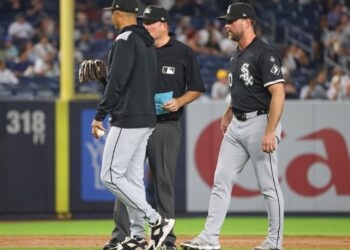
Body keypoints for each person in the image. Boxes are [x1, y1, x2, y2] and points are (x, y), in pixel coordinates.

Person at [181, 2, 285, 250]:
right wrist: (229, 110)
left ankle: (274, 242)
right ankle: (209, 238)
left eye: (231, 21)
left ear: (247, 21)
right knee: (220, 180)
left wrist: (270, 131)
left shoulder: (264, 53)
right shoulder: (235, 53)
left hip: (261, 122)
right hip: (237, 124)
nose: (226, 25)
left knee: (268, 186)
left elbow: (278, 93)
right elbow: (242, 88)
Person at [103, 5, 205, 250]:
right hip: (136, 122)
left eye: (151, 22)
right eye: (144, 22)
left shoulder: (182, 52)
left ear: (164, 25)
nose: (145, 25)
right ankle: (123, 236)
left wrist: (180, 101)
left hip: (165, 125)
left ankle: (165, 239)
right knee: (124, 179)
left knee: (162, 182)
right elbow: (121, 81)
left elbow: (197, 86)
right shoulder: (139, 45)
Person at [91, 0, 175, 249]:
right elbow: (128, 80)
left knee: (109, 176)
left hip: (128, 118)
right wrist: (106, 78)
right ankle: (139, 237)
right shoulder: (146, 41)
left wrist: (99, 115)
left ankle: (155, 220)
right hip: (146, 117)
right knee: (133, 179)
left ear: (118, 13)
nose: (111, 18)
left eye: (112, 14)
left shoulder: (125, 39)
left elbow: (117, 83)